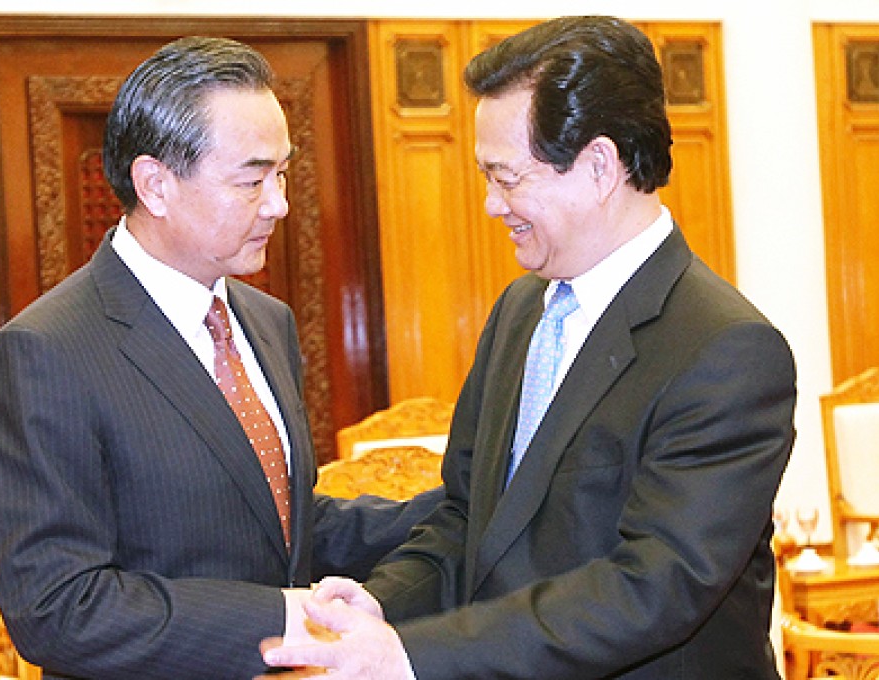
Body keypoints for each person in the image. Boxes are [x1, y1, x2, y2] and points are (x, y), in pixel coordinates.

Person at [261, 15, 796, 679]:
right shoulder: (522, 310)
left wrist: (414, 655)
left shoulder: (725, 350)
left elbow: (653, 587)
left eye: (508, 177)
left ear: (599, 165)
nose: (490, 204)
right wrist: (379, 603)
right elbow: (467, 516)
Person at [0, 36, 437, 680]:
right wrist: (283, 618)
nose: (279, 203)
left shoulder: (267, 322)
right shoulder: (44, 353)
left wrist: (462, 507)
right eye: (252, 179)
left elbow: (276, 518)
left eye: (282, 173)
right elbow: (58, 609)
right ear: (155, 184)